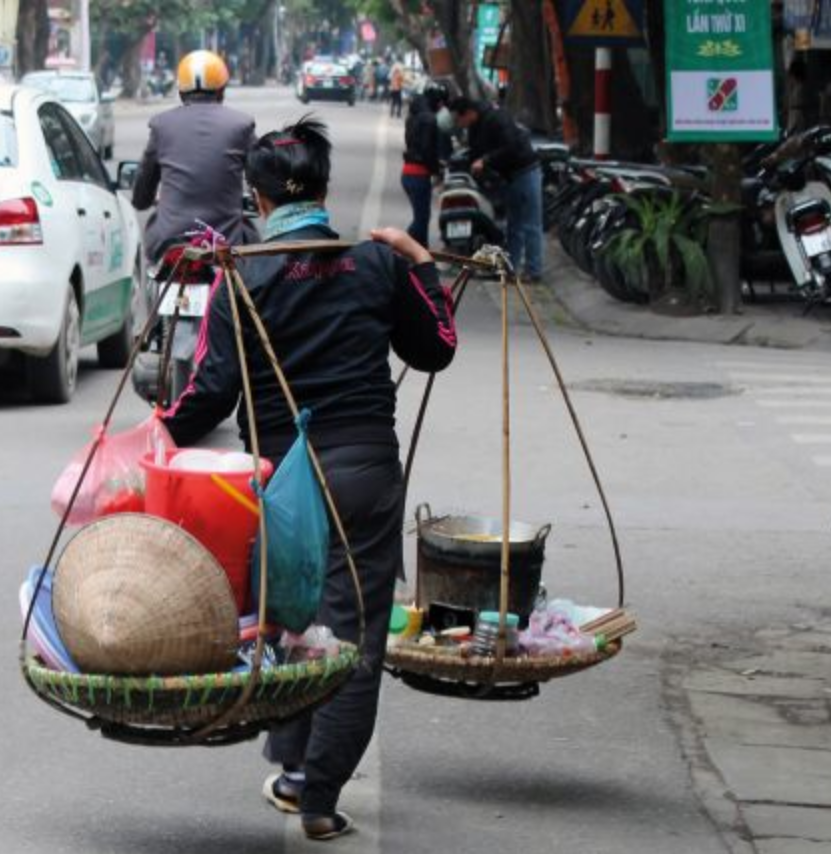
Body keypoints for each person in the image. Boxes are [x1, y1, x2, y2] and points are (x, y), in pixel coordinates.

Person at [162, 117, 458, 841]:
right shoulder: (374, 265)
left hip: (281, 483)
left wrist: (152, 435)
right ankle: (314, 793)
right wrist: (419, 258)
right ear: (322, 190)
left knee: (287, 617)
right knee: (352, 638)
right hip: (362, 471)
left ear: (256, 201)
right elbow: (438, 348)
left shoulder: (244, 277)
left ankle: (296, 768)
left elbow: (208, 395)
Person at [132, 50, 258, 262]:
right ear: (222, 91)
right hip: (227, 243)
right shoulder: (241, 124)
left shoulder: (161, 125)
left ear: (181, 93)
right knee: (256, 265)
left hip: (169, 243)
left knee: (152, 252)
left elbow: (142, 197)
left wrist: (144, 199)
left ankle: (155, 294)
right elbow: (263, 177)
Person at [450, 96, 544, 281]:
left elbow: (511, 147)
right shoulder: (475, 126)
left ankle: (533, 271)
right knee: (513, 225)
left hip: (525, 171)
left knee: (531, 224)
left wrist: (486, 160)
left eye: (460, 119)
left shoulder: (496, 118)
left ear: (469, 113)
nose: (459, 124)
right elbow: (475, 152)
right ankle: (510, 268)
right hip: (508, 177)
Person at [401, 82, 450, 247]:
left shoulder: (413, 117)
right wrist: (436, 170)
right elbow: (427, 150)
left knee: (421, 218)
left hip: (408, 173)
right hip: (419, 175)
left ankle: (420, 256)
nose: (441, 106)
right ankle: (401, 246)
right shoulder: (429, 119)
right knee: (421, 220)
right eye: (441, 102)